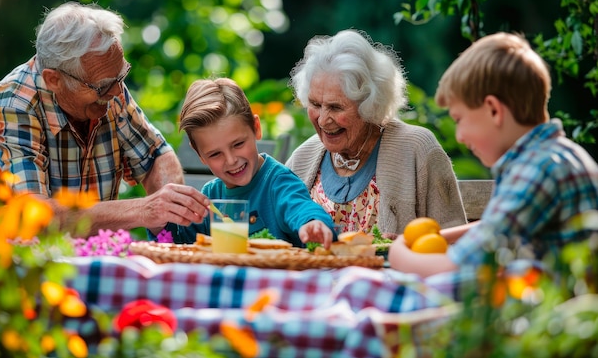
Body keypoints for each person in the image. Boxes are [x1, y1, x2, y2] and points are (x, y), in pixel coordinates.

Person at [0, 2, 210, 236]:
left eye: (121, 76)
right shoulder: (14, 107)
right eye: (104, 86)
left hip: (83, 256)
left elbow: (157, 155)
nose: (117, 92)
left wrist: (166, 219)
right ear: (54, 80)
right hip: (2, 261)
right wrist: (144, 209)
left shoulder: (107, 86)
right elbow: (36, 216)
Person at [389, 32, 598, 277]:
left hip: (550, 307)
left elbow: (457, 268)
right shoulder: (559, 156)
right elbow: (495, 228)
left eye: (459, 119)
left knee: (358, 286)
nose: (459, 136)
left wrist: (399, 254)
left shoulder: (536, 170)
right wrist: (431, 238)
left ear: (493, 110)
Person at [285, 29, 467, 239]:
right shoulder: (303, 158)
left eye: (336, 107)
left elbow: (455, 243)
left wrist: (407, 245)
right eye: (315, 104)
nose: (323, 119)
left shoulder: (417, 149)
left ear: (369, 105)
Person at [163, 77, 335, 248]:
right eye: (215, 154)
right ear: (199, 154)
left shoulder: (278, 182)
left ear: (256, 128)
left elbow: (300, 207)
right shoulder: (211, 195)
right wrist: (160, 223)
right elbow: (180, 244)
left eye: (238, 144)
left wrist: (312, 222)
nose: (231, 160)